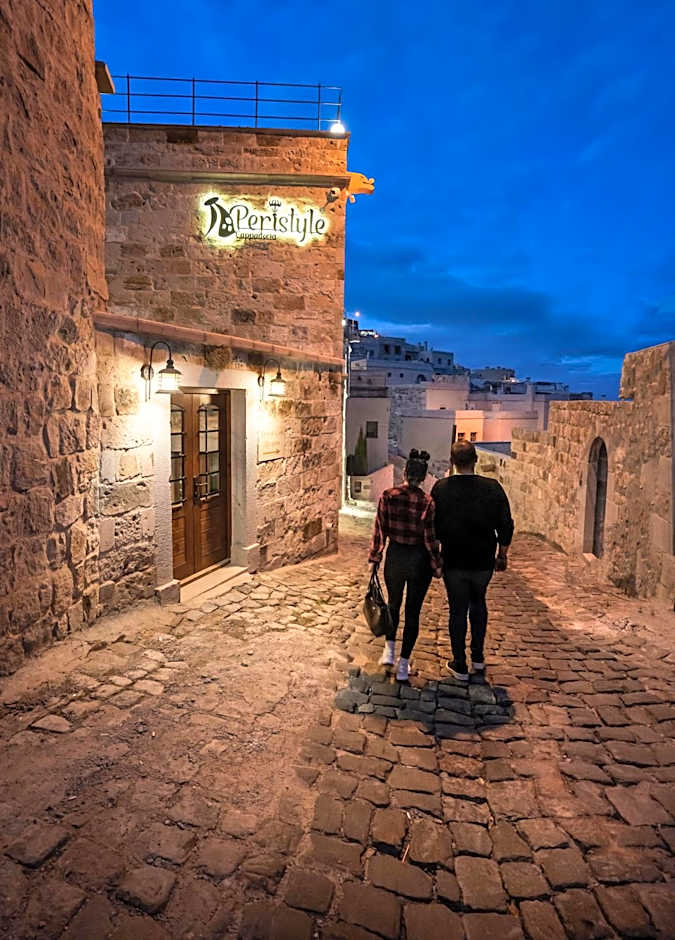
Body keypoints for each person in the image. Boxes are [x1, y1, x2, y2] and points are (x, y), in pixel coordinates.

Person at [431, 440, 514, 681]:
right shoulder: (492, 488)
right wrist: (502, 555)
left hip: (454, 560)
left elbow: (433, 527)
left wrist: (436, 554)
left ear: (453, 461)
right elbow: (506, 525)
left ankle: (459, 663)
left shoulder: (441, 488)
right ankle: (478, 658)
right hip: (483, 560)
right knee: (479, 604)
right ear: (475, 460)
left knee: (457, 610)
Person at [368, 449, 443, 681]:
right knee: (413, 612)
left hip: (396, 556)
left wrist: (375, 557)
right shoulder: (428, 502)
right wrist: (436, 563)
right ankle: (403, 665)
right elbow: (430, 539)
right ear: (423, 477)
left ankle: (389, 652)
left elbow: (380, 530)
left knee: (393, 605)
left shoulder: (388, 496)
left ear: (405, 472)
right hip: (418, 559)